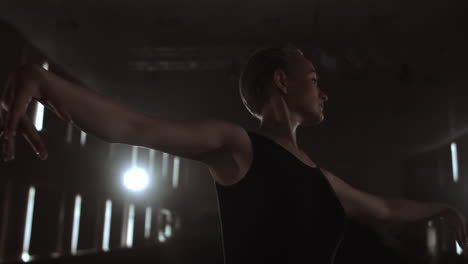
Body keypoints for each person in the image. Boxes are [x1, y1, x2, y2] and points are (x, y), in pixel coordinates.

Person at [1, 44, 468, 263]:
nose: (323, 92)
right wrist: (43, 79)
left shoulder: (321, 178)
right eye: (314, 79)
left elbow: (386, 207)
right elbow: (135, 126)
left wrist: (444, 207)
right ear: (283, 82)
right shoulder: (238, 146)